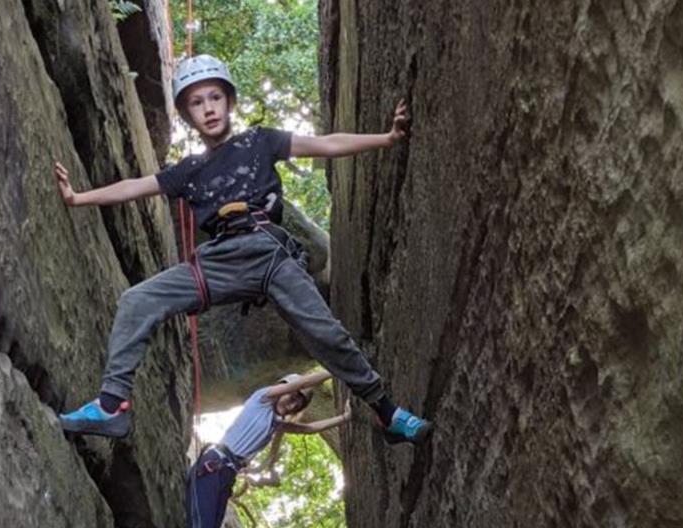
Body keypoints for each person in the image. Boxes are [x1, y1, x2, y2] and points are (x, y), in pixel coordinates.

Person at [54, 54, 432, 446]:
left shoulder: (260, 141)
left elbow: (324, 144)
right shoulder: (189, 171)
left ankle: (389, 414)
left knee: (327, 335)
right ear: (188, 114)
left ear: (229, 101)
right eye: (197, 103)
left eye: (214, 97)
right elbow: (134, 186)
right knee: (137, 300)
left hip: (270, 255)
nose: (208, 108)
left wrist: (385, 138)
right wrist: (78, 198)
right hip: (219, 264)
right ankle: (111, 406)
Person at [186, 371, 347, 528]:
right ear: (283, 389)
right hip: (214, 465)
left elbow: (309, 428)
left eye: (298, 405)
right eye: (292, 396)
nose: (293, 404)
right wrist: (335, 370)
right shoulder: (261, 399)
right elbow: (303, 383)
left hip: (227, 475)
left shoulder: (275, 424)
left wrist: (345, 418)